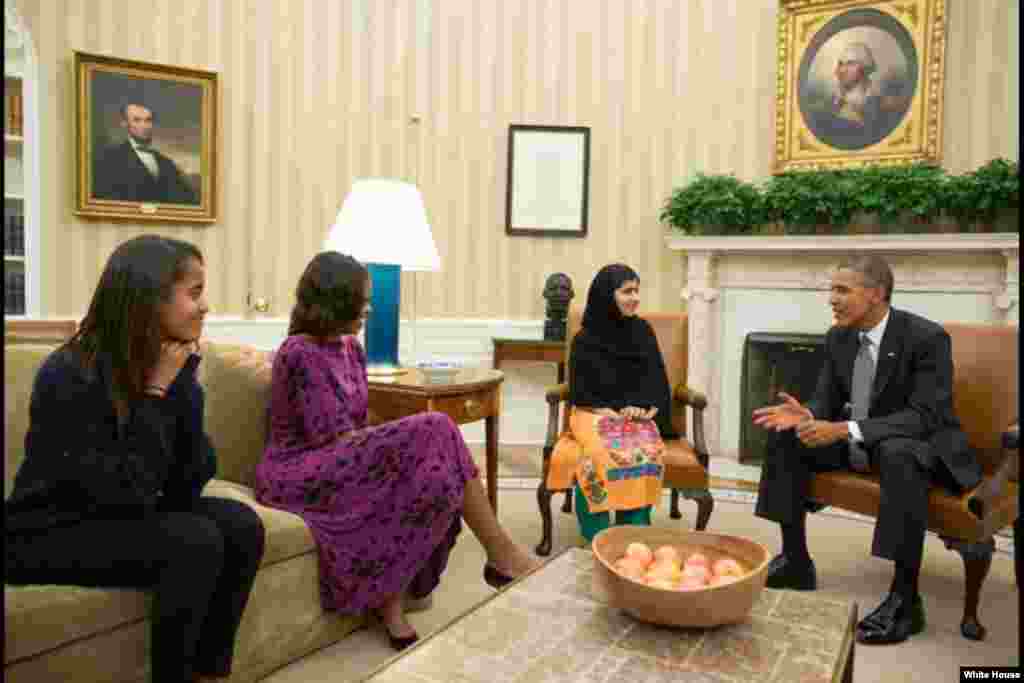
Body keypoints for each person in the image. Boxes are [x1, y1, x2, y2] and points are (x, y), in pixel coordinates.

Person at [5, 235, 266, 682]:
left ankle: (211, 675)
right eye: (194, 292)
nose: (204, 307)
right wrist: (156, 393)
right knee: (193, 539)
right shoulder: (70, 373)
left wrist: (183, 391)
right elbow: (122, 492)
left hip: (118, 511)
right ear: (149, 299)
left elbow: (188, 481)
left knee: (242, 525)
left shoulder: (164, 364)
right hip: (45, 529)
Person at [254, 251, 540, 652]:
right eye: (362, 299)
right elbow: (327, 435)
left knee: (434, 466)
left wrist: (390, 444)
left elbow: (357, 423)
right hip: (299, 470)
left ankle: (392, 600)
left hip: (340, 456)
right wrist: (394, 443)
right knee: (435, 427)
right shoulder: (297, 351)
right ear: (337, 299)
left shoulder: (351, 348)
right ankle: (501, 554)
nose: (368, 308)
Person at [752, 254, 982, 645]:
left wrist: (842, 428)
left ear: (876, 294)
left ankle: (905, 600)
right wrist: (807, 414)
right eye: (832, 289)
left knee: (899, 453)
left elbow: (924, 416)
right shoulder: (839, 336)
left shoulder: (926, 338)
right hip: (862, 440)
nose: (832, 299)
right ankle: (795, 561)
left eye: (842, 290)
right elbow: (828, 396)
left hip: (918, 446)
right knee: (785, 434)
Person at [544, 264, 673, 543]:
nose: (635, 298)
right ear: (606, 294)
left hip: (636, 415)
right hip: (592, 412)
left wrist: (640, 407)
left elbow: (656, 380)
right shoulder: (584, 340)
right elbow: (581, 392)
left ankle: (632, 533)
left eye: (637, 290)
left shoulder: (643, 331)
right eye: (627, 291)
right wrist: (612, 412)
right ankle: (598, 537)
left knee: (644, 451)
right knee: (600, 452)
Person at [805, 42, 910, 150]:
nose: (841, 70)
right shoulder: (829, 105)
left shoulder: (883, 103)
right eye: (840, 64)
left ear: (865, 67)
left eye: (850, 64)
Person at [93, 102, 200, 204]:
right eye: (137, 120)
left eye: (148, 120)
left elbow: (185, 199)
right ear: (124, 124)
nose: (144, 126)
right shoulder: (109, 159)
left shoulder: (166, 163)